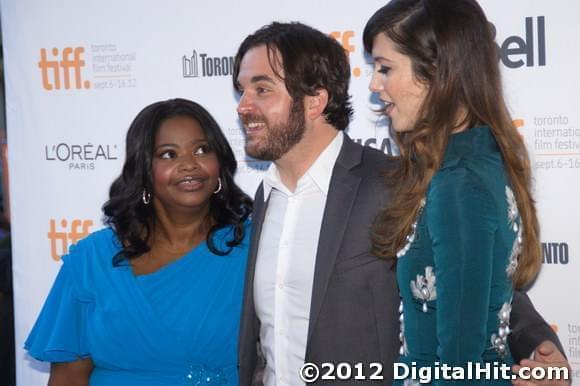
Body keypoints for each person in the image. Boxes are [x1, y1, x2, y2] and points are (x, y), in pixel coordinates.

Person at [233, 21, 566, 386]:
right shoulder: (264, 196)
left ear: (315, 100)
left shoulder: (397, 183)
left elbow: (479, 281)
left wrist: (540, 343)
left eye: (261, 89)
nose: (243, 106)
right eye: (241, 91)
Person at [364, 0, 568, 384]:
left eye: (385, 68)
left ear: (437, 72)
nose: (375, 85)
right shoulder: (480, 158)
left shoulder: (459, 183)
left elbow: (459, 367)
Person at [25, 98, 252, 386]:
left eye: (202, 149)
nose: (189, 165)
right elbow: (68, 378)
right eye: (168, 154)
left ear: (219, 162)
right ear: (144, 170)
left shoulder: (253, 248)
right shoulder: (91, 259)